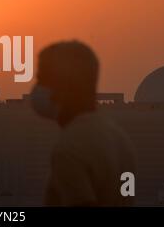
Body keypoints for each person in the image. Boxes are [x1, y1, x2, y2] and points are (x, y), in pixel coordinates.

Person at [30, 41, 136, 206]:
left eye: (42, 80)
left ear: (63, 86)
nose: (37, 88)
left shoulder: (70, 149)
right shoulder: (120, 140)